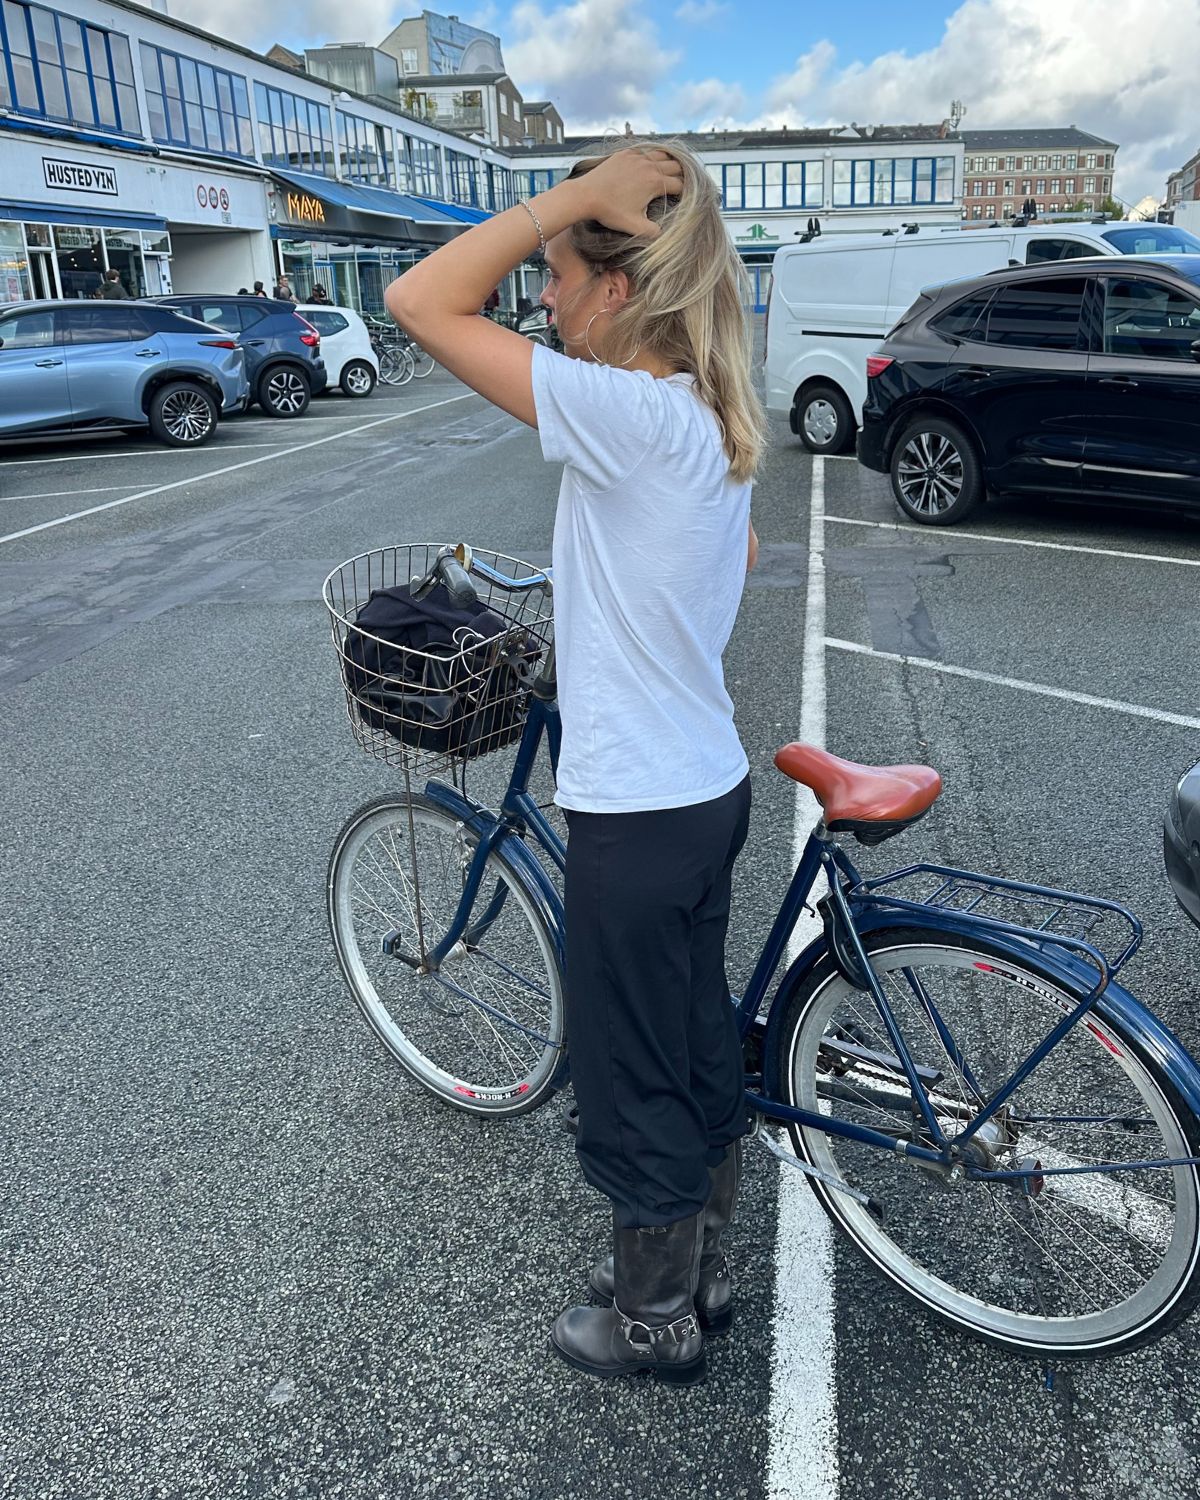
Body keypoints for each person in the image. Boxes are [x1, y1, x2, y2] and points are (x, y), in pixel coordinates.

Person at [385, 141, 763, 1388]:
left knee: (632, 1068)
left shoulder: (628, 414)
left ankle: (653, 1321)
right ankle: (700, 1268)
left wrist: (567, 199)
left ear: (617, 288)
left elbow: (419, 301)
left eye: (555, 274)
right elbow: (724, 563)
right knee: (693, 1036)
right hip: (705, 786)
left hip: (637, 808)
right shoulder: (703, 416)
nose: (541, 299)